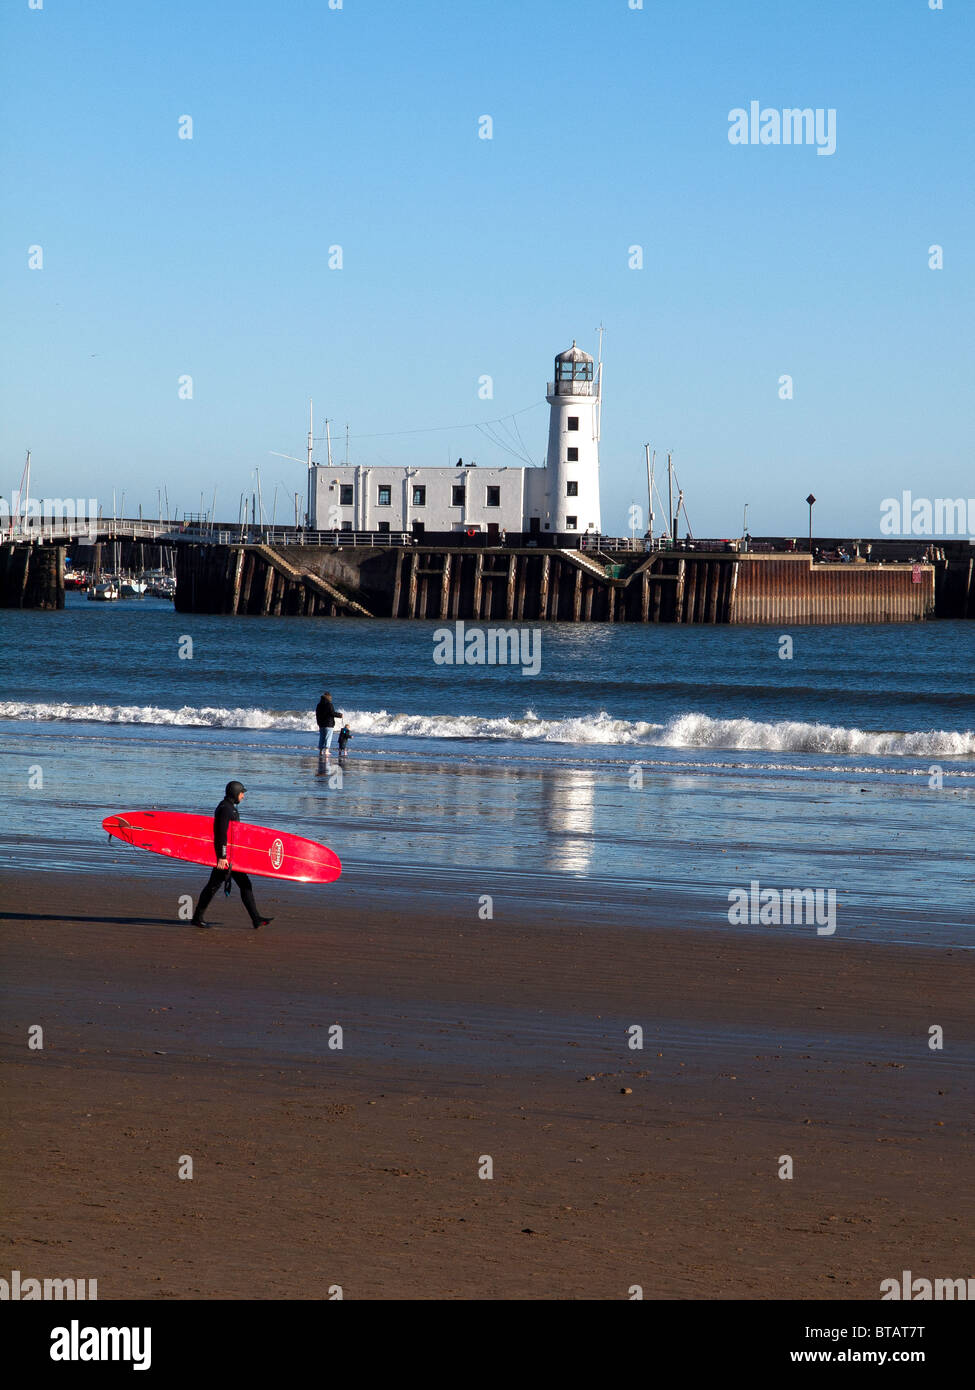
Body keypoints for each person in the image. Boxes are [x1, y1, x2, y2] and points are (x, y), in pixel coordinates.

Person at [191, 781, 273, 930]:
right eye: (242, 793)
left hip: (232, 856)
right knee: (215, 886)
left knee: (238, 884)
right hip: (226, 857)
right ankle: (197, 917)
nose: (243, 796)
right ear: (235, 793)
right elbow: (221, 834)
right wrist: (222, 857)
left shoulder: (229, 808)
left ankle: (256, 919)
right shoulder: (225, 809)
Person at [315, 690, 342, 757]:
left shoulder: (319, 705)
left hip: (321, 724)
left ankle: (321, 751)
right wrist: (339, 715)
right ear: (329, 697)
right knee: (328, 737)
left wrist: (318, 723)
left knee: (322, 737)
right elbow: (332, 713)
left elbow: (317, 715)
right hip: (329, 724)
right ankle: (327, 751)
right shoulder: (329, 704)